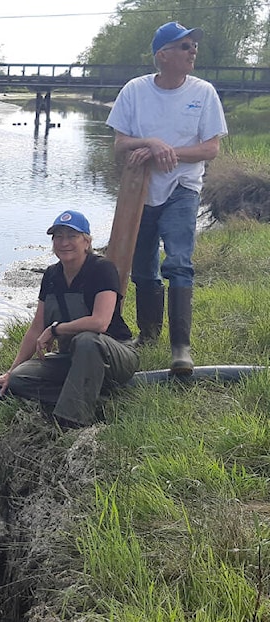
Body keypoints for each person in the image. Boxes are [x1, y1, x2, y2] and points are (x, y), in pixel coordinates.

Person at [106, 21, 228, 374]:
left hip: (183, 189)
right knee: (142, 268)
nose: (193, 51)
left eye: (193, 46)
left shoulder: (203, 92)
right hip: (139, 191)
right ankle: (147, 336)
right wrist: (150, 143)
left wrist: (168, 151)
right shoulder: (134, 90)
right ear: (163, 55)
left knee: (178, 260)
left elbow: (211, 148)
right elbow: (119, 144)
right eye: (185, 46)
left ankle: (181, 347)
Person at [0, 211, 139, 428]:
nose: (64, 242)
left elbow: (100, 323)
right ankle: (94, 398)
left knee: (87, 340)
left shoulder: (102, 269)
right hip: (71, 359)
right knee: (19, 379)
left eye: (72, 236)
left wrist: (56, 330)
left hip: (115, 355)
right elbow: (36, 328)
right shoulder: (52, 275)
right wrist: (10, 371)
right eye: (58, 236)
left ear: (86, 241)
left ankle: (72, 421)